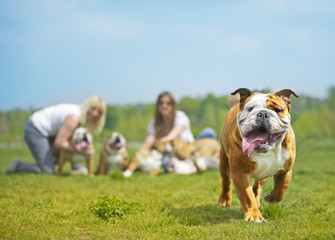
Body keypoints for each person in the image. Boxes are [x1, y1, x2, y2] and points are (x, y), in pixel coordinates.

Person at [6, 95, 106, 175]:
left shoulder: (79, 115)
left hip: (47, 132)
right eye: (93, 108)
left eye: (99, 112)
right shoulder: (74, 118)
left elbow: (70, 139)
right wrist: (82, 153)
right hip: (35, 129)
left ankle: (76, 168)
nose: (95, 113)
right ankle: (17, 166)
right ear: (87, 106)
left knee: (57, 157)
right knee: (48, 171)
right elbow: (60, 143)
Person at [142, 91, 216, 172]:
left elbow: (171, 137)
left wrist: (156, 143)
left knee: (209, 132)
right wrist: (140, 155)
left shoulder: (180, 116)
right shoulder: (154, 123)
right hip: (172, 154)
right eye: (161, 103)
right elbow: (147, 143)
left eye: (168, 103)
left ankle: (209, 156)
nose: (164, 105)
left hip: (190, 148)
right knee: (165, 162)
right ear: (157, 105)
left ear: (173, 105)